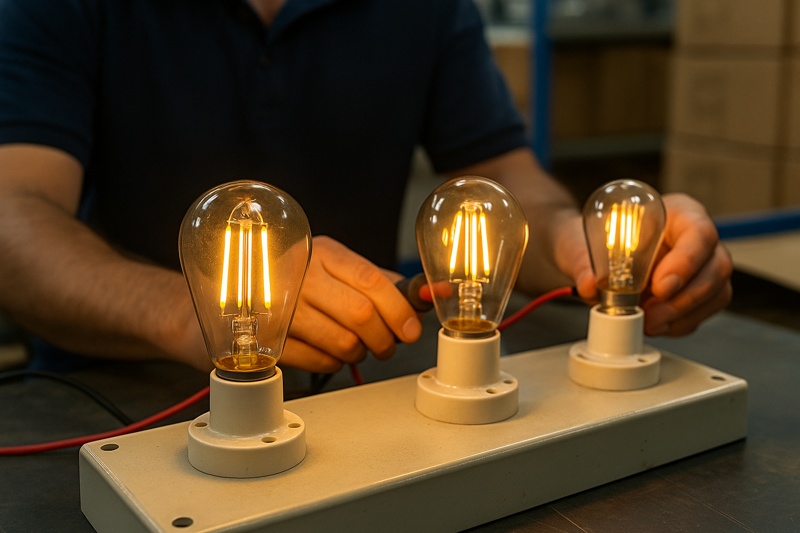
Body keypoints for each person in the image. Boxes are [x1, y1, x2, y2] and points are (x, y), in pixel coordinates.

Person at [0, 0, 732, 376]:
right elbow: (14, 212)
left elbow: (508, 186)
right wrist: (193, 312)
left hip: (362, 376)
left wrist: (586, 244)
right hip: (105, 399)